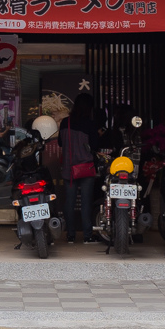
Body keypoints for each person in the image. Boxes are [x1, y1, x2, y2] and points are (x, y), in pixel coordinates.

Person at [58, 93, 101, 244]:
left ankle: (70, 235)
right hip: (85, 169)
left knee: (69, 203)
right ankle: (87, 236)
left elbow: (60, 143)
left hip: (69, 170)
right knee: (86, 203)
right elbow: (95, 146)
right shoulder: (90, 124)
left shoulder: (65, 123)